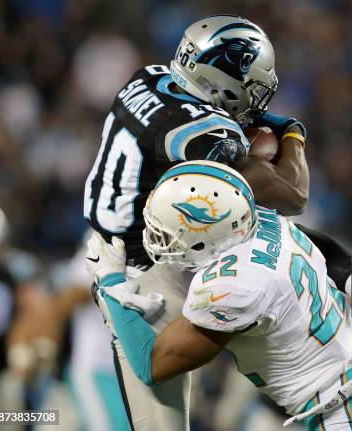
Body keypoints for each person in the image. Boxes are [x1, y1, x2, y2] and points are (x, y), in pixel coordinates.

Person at [83, 15, 312, 430]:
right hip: (147, 273)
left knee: (286, 258)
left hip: (145, 239)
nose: (258, 97)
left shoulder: (148, 77)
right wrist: (294, 136)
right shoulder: (204, 131)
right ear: (220, 80)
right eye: (252, 84)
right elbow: (294, 196)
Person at [86, 160, 352, 431]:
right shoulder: (262, 221)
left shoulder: (233, 285)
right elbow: (326, 248)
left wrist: (111, 283)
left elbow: (152, 364)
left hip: (350, 411)